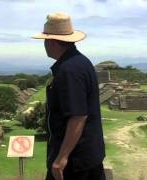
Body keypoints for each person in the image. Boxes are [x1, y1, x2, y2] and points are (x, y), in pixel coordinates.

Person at [32, 12, 106, 180]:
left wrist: (61, 158)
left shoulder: (68, 70)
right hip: (88, 156)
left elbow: (78, 116)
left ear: (50, 41)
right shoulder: (80, 62)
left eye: (45, 39)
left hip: (75, 161)